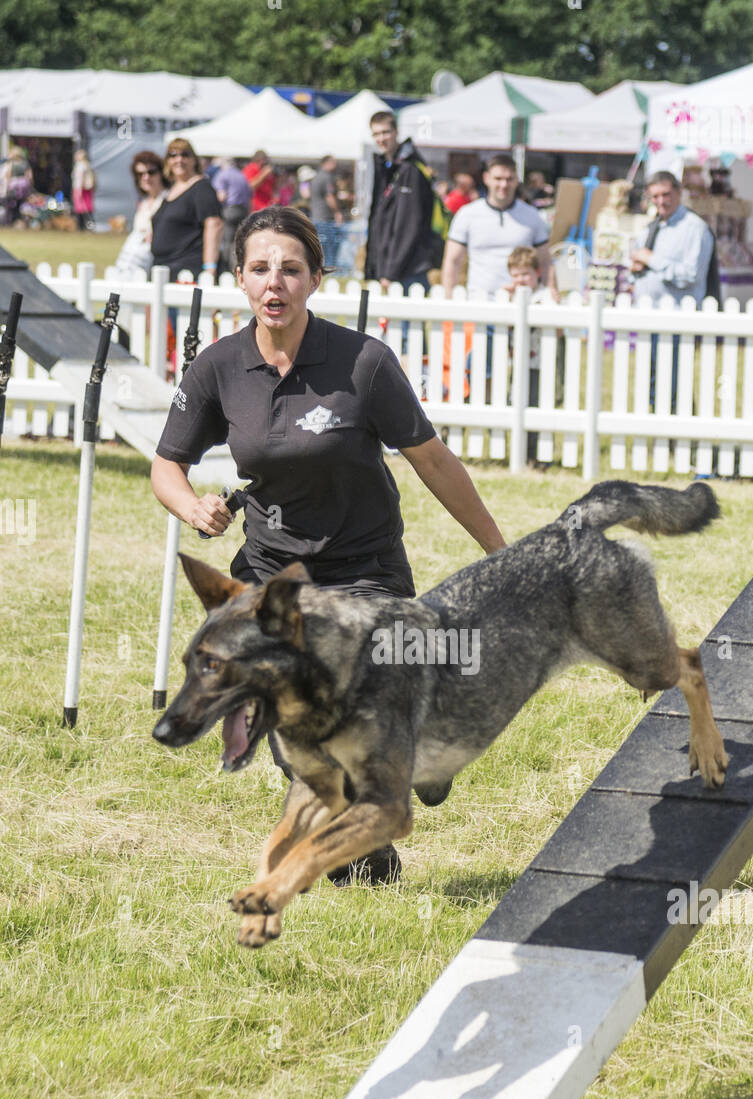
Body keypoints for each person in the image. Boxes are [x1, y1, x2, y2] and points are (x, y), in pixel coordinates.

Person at [150, 206, 506, 884]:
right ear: (240, 279)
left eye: (290, 268)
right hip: (271, 575)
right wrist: (192, 505)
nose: (274, 282)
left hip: (365, 569)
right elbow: (167, 464)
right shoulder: (217, 369)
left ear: (316, 277)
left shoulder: (364, 363)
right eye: (259, 269)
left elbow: (432, 460)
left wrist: (497, 549)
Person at [630, 170, 714, 413]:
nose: (661, 201)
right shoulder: (651, 227)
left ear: (679, 193)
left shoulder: (694, 228)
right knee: (654, 381)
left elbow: (691, 275)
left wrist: (652, 260)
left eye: (666, 194)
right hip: (650, 317)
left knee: (675, 382)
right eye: (655, 196)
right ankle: (662, 432)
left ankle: (683, 436)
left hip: (677, 319)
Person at [441, 154, 556, 300]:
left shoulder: (532, 216)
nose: (504, 185)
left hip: (520, 303)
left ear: (516, 180)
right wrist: (448, 298)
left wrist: (551, 295)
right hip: (479, 301)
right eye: (498, 179)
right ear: (486, 178)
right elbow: (452, 261)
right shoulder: (467, 214)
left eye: (509, 179)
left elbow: (546, 262)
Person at [364, 110, 435, 292]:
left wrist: (390, 272)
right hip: (391, 268)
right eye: (376, 134)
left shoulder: (409, 169)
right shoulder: (388, 167)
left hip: (408, 270)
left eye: (385, 132)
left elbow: (408, 225)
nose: (381, 139)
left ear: (396, 132)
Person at [151, 138, 223, 284]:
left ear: (194, 160)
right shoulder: (170, 191)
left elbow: (214, 224)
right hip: (162, 268)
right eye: (173, 155)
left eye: (185, 154)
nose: (179, 159)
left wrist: (210, 267)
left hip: (187, 271)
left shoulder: (201, 187)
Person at [506, 246, 553, 468]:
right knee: (515, 402)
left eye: (526, 274)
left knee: (537, 405)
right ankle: (520, 452)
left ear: (538, 273)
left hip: (540, 363)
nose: (521, 280)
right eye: (516, 275)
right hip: (517, 363)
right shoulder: (510, 298)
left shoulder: (545, 297)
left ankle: (537, 455)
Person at [114, 150, 166, 276]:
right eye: (140, 173)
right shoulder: (143, 204)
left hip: (159, 265)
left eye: (151, 172)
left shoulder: (169, 199)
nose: (146, 177)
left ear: (161, 173)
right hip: (134, 263)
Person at [211, 156, 251, 276]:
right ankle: (237, 269)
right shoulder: (242, 175)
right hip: (242, 211)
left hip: (229, 210)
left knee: (226, 242)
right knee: (238, 242)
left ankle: (228, 271)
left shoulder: (222, 175)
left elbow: (221, 196)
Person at [310, 154, 344, 269]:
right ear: (327, 163)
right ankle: (329, 269)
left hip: (316, 217)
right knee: (330, 248)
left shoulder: (316, 177)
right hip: (326, 218)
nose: (336, 165)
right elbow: (330, 197)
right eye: (333, 162)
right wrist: (337, 212)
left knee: (320, 247)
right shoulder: (327, 177)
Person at [71, 150, 96, 231]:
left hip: (80, 189)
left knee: (81, 207)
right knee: (87, 207)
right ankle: (88, 225)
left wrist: (79, 191)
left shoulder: (80, 165)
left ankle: (81, 226)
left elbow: (80, 179)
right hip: (86, 189)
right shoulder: (87, 165)